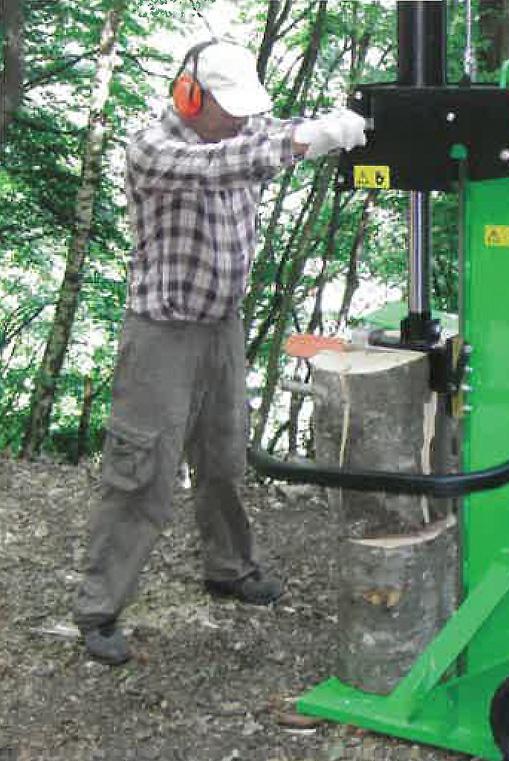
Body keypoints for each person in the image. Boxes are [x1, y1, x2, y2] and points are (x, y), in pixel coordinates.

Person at [72, 40, 366, 665]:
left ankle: (228, 567)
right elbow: (226, 162)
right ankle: (98, 607)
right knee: (141, 471)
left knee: (225, 456)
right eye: (226, 108)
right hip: (161, 333)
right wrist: (310, 139)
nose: (239, 119)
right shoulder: (152, 149)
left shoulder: (241, 128)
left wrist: (346, 123)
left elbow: (267, 134)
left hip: (221, 326)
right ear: (188, 95)